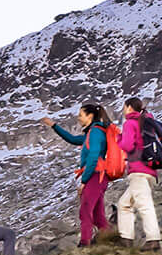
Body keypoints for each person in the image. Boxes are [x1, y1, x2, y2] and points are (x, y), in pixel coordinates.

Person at [42, 103, 111, 245]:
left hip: (95, 176)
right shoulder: (91, 133)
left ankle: (84, 243)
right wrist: (54, 125)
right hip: (98, 176)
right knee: (98, 216)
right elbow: (72, 139)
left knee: (85, 211)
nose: (78, 118)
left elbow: (93, 157)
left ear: (90, 116)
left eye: (81, 115)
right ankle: (111, 240)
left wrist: (84, 181)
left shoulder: (96, 133)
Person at [116, 97, 162, 248]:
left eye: (124, 107)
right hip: (151, 170)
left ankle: (153, 239)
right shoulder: (147, 122)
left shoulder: (130, 122)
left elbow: (128, 146)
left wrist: (119, 139)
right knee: (124, 203)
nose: (123, 110)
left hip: (138, 169)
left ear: (129, 107)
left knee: (144, 204)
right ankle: (125, 238)